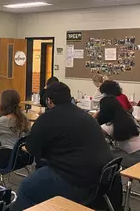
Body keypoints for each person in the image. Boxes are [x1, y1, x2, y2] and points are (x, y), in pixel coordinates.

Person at [14, 82, 115, 210]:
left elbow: (32, 149)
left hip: (75, 181)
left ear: (49, 100)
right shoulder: (86, 116)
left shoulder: (47, 119)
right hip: (101, 178)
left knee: (26, 188)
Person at [0, 90, 31, 168]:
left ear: (3, 104)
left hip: (10, 158)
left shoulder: (4, 120)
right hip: (23, 156)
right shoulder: (23, 118)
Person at [96, 95, 140, 168]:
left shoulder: (108, 127)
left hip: (133, 158)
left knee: (104, 151)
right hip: (137, 153)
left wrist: (95, 116)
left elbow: (92, 131)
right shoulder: (129, 118)